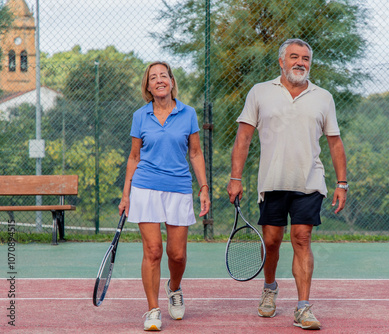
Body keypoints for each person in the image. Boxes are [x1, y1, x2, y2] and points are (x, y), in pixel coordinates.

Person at [227, 38, 348, 330]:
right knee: (271, 240)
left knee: (302, 238)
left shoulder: (323, 97)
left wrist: (341, 182)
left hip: (309, 182)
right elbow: (243, 138)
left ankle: (303, 307)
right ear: (281, 61)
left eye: (305, 58)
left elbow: (335, 143)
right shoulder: (260, 92)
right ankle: (269, 288)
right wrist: (235, 178)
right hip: (272, 181)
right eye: (294, 56)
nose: (300, 62)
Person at [119, 61, 210, 331]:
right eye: (153, 77)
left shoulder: (188, 113)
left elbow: (195, 152)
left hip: (179, 188)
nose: (159, 80)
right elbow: (134, 157)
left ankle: (174, 287)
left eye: (163, 76)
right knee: (153, 251)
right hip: (145, 187)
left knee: (177, 254)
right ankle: (153, 309)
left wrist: (204, 188)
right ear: (148, 86)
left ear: (171, 81)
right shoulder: (140, 116)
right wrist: (126, 194)